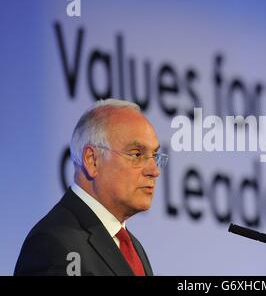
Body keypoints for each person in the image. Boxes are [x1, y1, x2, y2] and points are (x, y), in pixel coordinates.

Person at [14, 99, 167, 276]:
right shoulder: (53, 244)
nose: (154, 171)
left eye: (154, 156)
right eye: (136, 154)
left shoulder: (133, 247)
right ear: (92, 160)